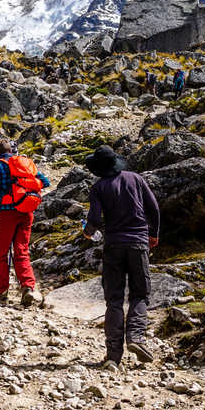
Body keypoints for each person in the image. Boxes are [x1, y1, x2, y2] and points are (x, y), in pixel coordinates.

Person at [82, 145, 161, 368]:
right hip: (138, 243)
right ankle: (136, 338)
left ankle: (113, 355)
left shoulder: (98, 187)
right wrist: (153, 235)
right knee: (140, 293)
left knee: (114, 299)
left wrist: (88, 232)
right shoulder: (136, 179)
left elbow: (95, 219)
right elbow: (153, 208)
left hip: (113, 244)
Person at [0, 139, 49, 306]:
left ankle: (1, 293)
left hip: (7, 213)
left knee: (0, 253)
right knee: (22, 251)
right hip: (27, 212)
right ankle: (28, 288)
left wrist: (4, 188)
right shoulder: (24, 163)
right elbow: (45, 182)